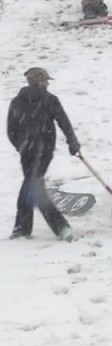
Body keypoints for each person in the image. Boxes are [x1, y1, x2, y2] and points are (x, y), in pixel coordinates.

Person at [7, 68, 80, 241]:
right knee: (33, 188)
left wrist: (72, 141)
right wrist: (22, 146)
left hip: (43, 152)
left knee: (31, 186)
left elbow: (64, 122)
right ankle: (60, 227)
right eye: (45, 80)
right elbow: (11, 129)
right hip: (30, 152)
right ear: (37, 81)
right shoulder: (19, 102)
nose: (47, 83)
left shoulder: (50, 100)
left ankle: (22, 229)